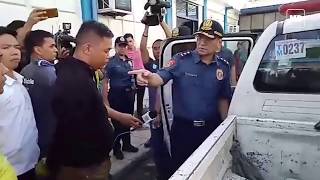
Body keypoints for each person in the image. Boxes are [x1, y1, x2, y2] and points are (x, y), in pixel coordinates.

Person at [130, 19, 232, 175]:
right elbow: (161, 76)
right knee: (182, 170)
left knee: (209, 170)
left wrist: (225, 128)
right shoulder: (181, 60)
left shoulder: (223, 67)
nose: (202, 43)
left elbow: (223, 99)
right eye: (200, 38)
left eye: (208, 39)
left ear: (219, 43)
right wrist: (149, 78)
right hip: (184, 130)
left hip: (211, 129)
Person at [47, 21, 141, 180]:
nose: (107, 56)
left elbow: (92, 106)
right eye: (106, 51)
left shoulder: (82, 72)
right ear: (87, 48)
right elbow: (72, 129)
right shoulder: (72, 80)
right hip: (83, 167)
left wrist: (119, 116)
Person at [0, 26, 40, 180]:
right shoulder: (2, 88)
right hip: (9, 169)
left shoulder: (19, 79)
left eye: (17, 47)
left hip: (30, 162)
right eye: (5, 47)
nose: (15, 51)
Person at [140, 19, 173, 179]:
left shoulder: (172, 63)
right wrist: (146, 26)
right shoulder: (151, 65)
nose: (156, 51)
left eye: (159, 48)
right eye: (154, 48)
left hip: (171, 112)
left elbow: (172, 40)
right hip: (155, 113)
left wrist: (161, 21)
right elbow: (141, 49)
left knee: (173, 146)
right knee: (158, 147)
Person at [20, 30, 58, 159]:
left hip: (31, 137)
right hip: (53, 136)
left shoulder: (24, 71)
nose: (56, 50)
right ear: (38, 50)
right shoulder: (51, 73)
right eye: (52, 46)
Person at [104, 36, 139, 160]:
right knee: (118, 123)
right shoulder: (111, 62)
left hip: (128, 95)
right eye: (120, 45)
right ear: (116, 47)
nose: (123, 48)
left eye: (125, 45)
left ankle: (127, 144)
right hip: (116, 95)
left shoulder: (129, 61)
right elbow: (105, 81)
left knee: (128, 121)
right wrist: (105, 99)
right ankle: (116, 148)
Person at [123, 33, 145, 120]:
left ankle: (140, 118)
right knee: (131, 99)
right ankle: (130, 118)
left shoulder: (139, 51)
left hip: (140, 75)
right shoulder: (125, 53)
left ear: (133, 41)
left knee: (140, 99)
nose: (129, 43)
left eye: (130, 41)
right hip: (131, 77)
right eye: (127, 42)